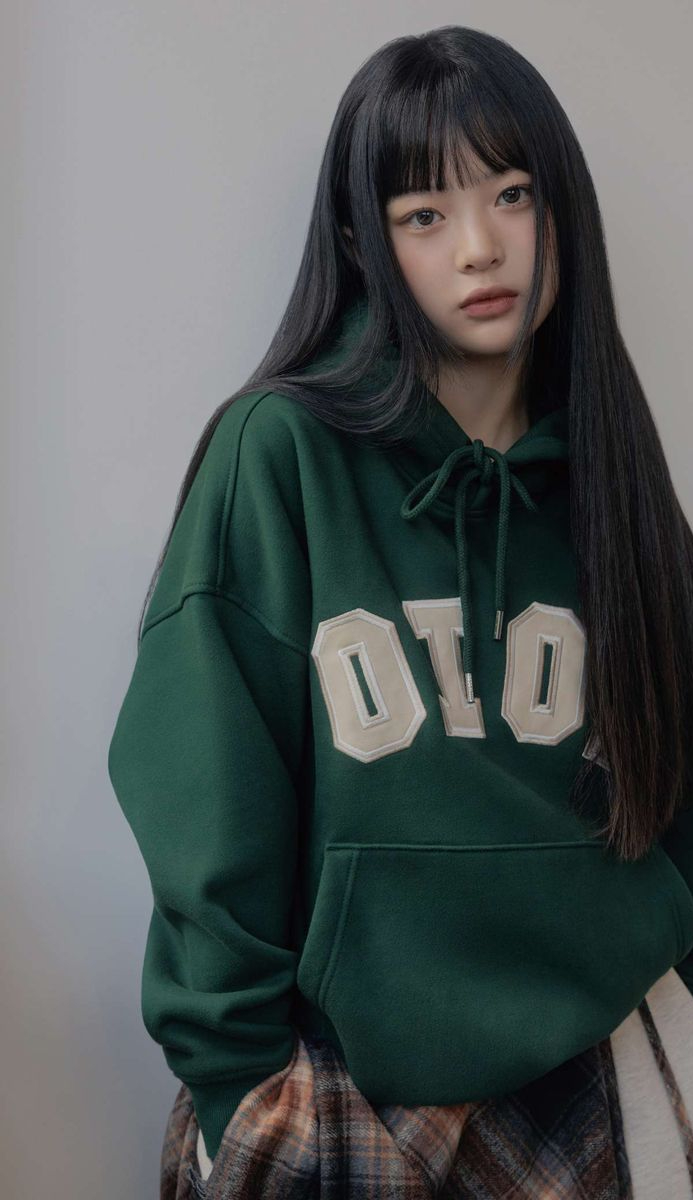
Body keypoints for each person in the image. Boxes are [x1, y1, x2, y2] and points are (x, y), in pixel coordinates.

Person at [107, 23, 693, 1200]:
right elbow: (204, 789)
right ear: (363, 243)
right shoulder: (281, 454)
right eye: (425, 213)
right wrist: (241, 1086)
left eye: (513, 193)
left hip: (586, 1070)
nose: (481, 246)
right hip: (333, 1079)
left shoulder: (616, 482)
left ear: (561, 208)